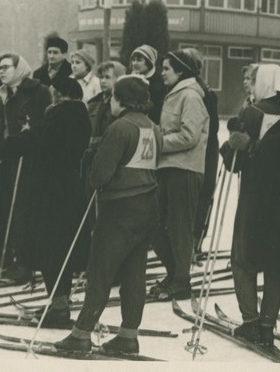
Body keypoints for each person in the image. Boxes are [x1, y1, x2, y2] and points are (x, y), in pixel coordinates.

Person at [56, 76, 162, 355]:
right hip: (147, 205)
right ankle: (128, 336)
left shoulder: (120, 127)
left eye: (113, 97)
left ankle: (81, 335)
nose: (110, 102)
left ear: (122, 99)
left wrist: (93, 160)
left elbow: (101, 175)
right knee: (134, 274)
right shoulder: (153, 127)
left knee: (100, 271)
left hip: (120, 207)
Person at [219, 64, 280, 346]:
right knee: (275, 261)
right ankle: (267, 323)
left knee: (243, 256)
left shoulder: (253, 112)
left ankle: (250, 320)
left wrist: (233, 145)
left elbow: (234, 160)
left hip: (255, 194)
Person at [0, 53, 51, 280]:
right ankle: (0, 251)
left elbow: (42, 125)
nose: (1, 71)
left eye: (6, 67)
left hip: (27, 158)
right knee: (0, 204)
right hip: (4, 156)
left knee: (22, 208)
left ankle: (23, 260)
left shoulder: (37, 91)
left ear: (19, 68)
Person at [28, 75, 91, 326]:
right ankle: (59, 303)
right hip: (72, 189)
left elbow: (40, 144)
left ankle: (59, 307)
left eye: (55, 94)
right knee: (63, 248)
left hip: (50, 191)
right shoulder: (82, 115)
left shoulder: (57, 116)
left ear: (62, 95)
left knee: (49, 249)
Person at [149, 50, 209, 300]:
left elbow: (189, 136)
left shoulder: (191, 96)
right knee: (153, 223)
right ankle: (174, 274)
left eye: (166, 69)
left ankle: (182, 281)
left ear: (180, 71)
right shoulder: (176, 93)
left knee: (179, 227)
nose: (161, 73)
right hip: (169, 167)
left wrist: (157, 141)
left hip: (185, 169)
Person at [182, 47, 220, 255]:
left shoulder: (205, 94)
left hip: (204, 150)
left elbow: (212, 128)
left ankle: (195, 242)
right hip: (195, 149)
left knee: (202, 196)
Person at [130, 44, 165, 124]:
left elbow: (158, 110)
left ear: (150, 61)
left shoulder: (159, 82)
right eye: (133, 60)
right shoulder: (130, 78)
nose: (135, 63)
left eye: (139, 60)